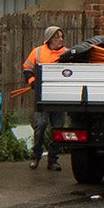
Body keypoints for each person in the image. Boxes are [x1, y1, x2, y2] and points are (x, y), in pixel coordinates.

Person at [23, 25, 68, 171]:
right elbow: (27, 68)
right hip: (41, 97)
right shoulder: (37, 52)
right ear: (49, 39)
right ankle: (36, 157)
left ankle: (53, 160)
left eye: (61, 36)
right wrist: (32, 82)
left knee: (57, 129)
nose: (60, 39)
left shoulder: (67, 54)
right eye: (57, 37)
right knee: (40, 126)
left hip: (59, 98)